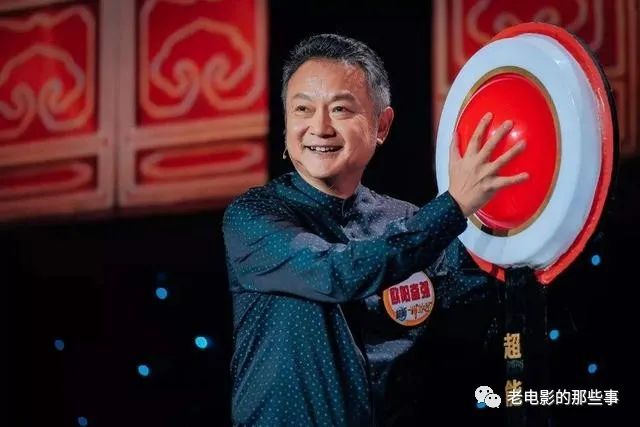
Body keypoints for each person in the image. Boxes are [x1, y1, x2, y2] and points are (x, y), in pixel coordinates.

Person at [222, 33, 528, 426]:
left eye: (340, 109)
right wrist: (454, 205)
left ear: (381, 125)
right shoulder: (253, 216)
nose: (319, 127)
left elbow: (483, 295)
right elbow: (336, 273)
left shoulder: (408, 220)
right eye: (302, 109)